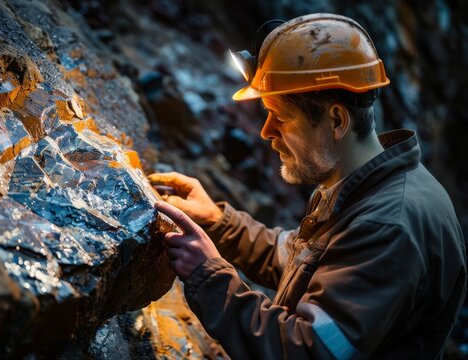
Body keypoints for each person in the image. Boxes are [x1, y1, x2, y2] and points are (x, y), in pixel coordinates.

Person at [149, 13, 466, 359]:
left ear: (336, 120)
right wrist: (218, 222)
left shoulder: (387, 227)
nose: (265, 131)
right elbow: (300, 261)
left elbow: (308, 350)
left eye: (280, 117)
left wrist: (209, 276)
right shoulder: (361, 186)